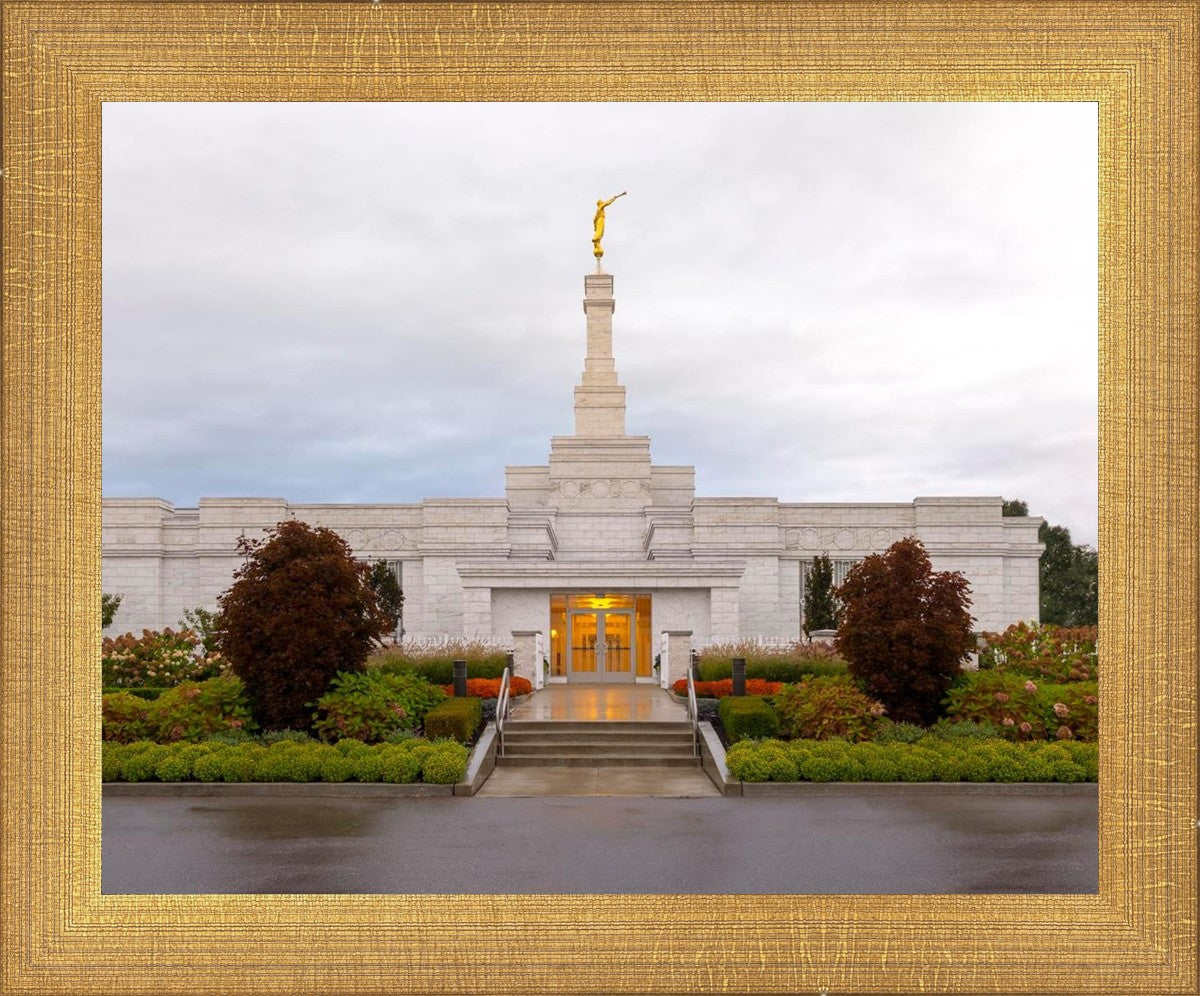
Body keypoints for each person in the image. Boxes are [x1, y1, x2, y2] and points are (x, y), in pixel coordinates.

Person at [592, 191, 627, 257]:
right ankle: (595, 238)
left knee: (600, 232)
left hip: (598, 221)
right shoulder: (600, 206)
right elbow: (607, 203)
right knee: (600, 231)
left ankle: (597, 243)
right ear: (600, 203)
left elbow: (594, 220)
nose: (602, 202)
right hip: (601, 219)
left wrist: (594, 227)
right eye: (602, 201)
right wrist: (614, 198)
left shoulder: (598, 210)